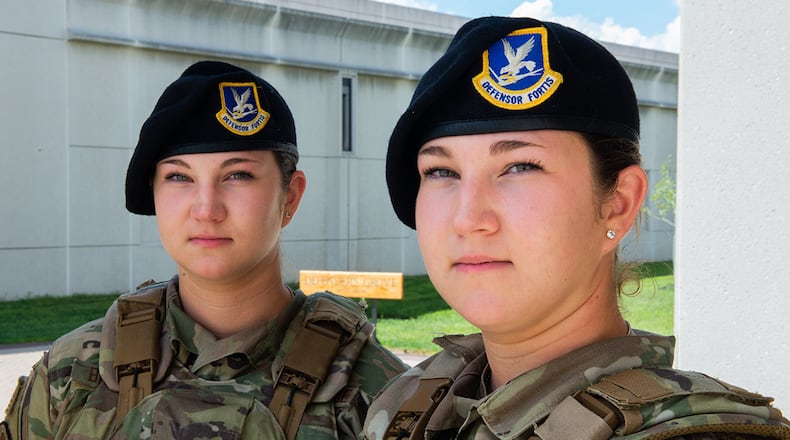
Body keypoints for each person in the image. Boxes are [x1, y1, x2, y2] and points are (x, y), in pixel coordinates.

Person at [363, 16, 790, 440]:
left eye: (520, 166)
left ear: (618, 204)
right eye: (440, 171)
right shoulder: (405, 404)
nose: (468, 218)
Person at [1, 60, 407, 440]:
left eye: (238, 175)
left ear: (291, 195)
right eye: (179, 177)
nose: (206, 209)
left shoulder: (375, 391)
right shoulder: (74, 372)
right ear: (155, 194)